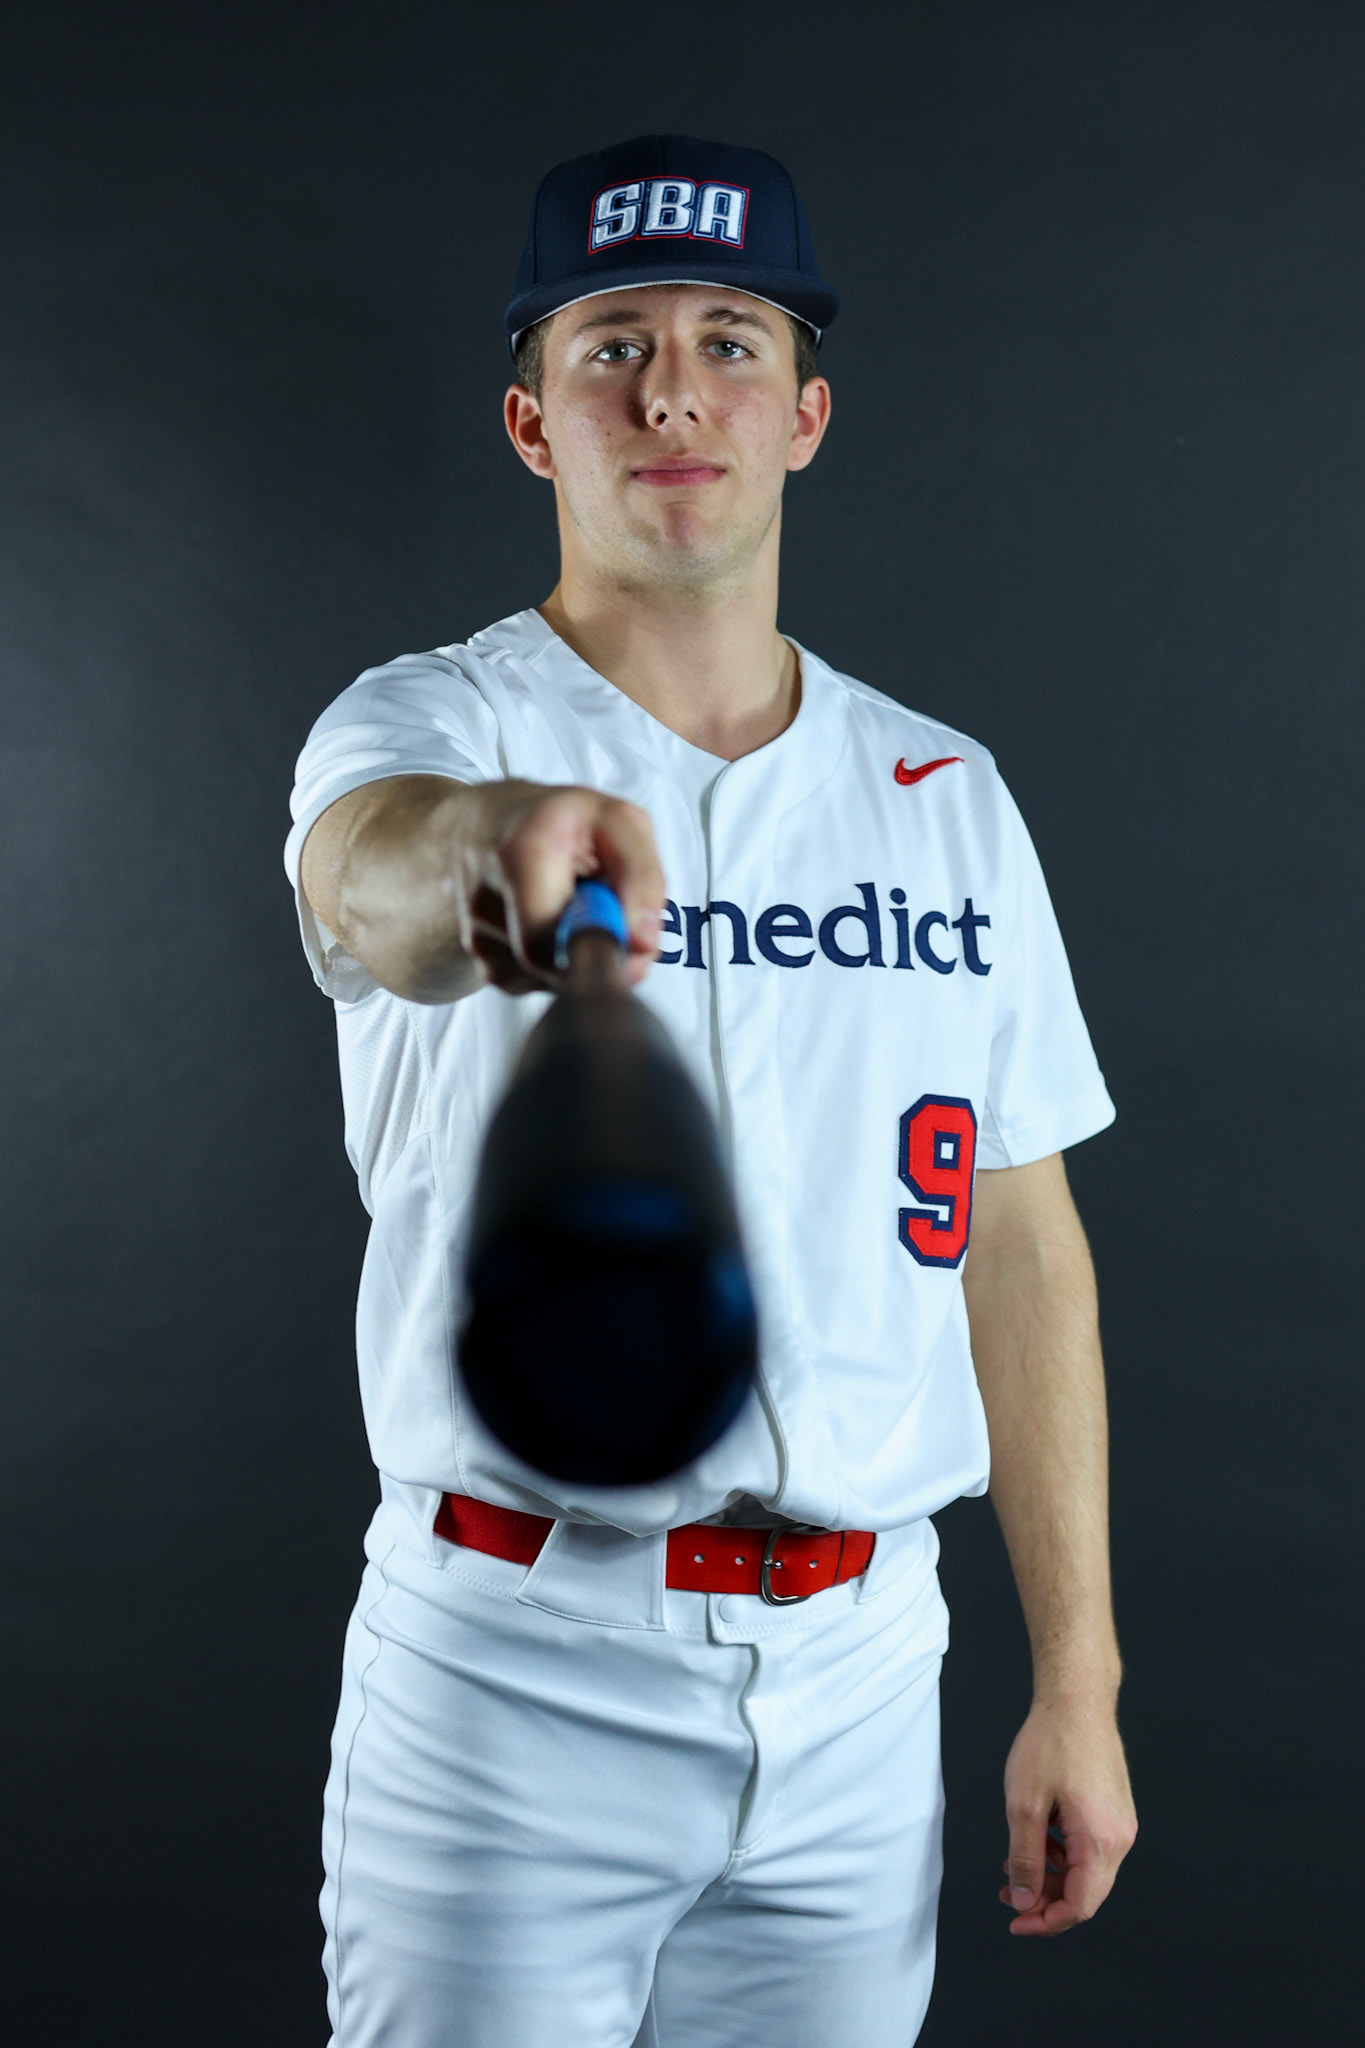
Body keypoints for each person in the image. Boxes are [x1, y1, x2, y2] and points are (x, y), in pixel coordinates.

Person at [284, 133, 1137, 2048]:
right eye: (611, 343)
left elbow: (1019, 1239)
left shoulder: (946, 795)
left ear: (805, 415)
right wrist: (496, 852)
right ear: (530, 425)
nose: (672, 385)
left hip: (860, 1675)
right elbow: (369, 874)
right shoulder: (440, 721)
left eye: (728, 336)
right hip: (517, 1667)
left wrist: (1072, 1681)